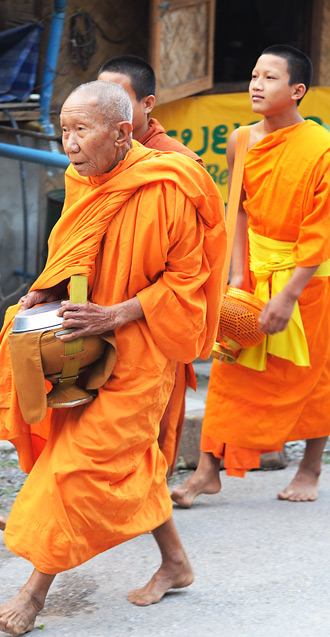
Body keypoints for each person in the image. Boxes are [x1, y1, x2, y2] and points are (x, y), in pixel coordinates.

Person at [0, 81, 226, 634]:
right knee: (125, 463)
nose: (69, 143)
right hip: (88, 345)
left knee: (81, 468)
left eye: (80, 131)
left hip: (144, 347)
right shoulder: (83, 178)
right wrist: (49, 290)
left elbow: (189, 279)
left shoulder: (170, 185)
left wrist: (117, 315)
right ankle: (175, 564)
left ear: (120, 133)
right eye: (63, 130)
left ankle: (32, 594)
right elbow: (76, 252)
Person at [170, 44, 330, 507]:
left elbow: (324, 233)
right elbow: (237, 210)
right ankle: (208, 471)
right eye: (254, 75)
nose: (256, 84)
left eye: (269, 78)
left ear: (297, 91)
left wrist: (290, 293)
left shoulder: (323, 151)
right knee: (231, 373)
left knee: (314, 375)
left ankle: (310, 469)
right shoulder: (242, 139)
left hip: (308, 284)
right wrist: (237, 276)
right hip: (253, 274)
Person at [98, 54, 203, 473]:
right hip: (94, 313)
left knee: (149, 425)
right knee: (80, 418)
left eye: (118, 97)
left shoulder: (178, 167)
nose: (106, 107)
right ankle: (57, 512)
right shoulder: (94, 158)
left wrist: (124, 311)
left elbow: (190, 270)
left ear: (147, 105)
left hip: (151, 320)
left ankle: (145, 510)